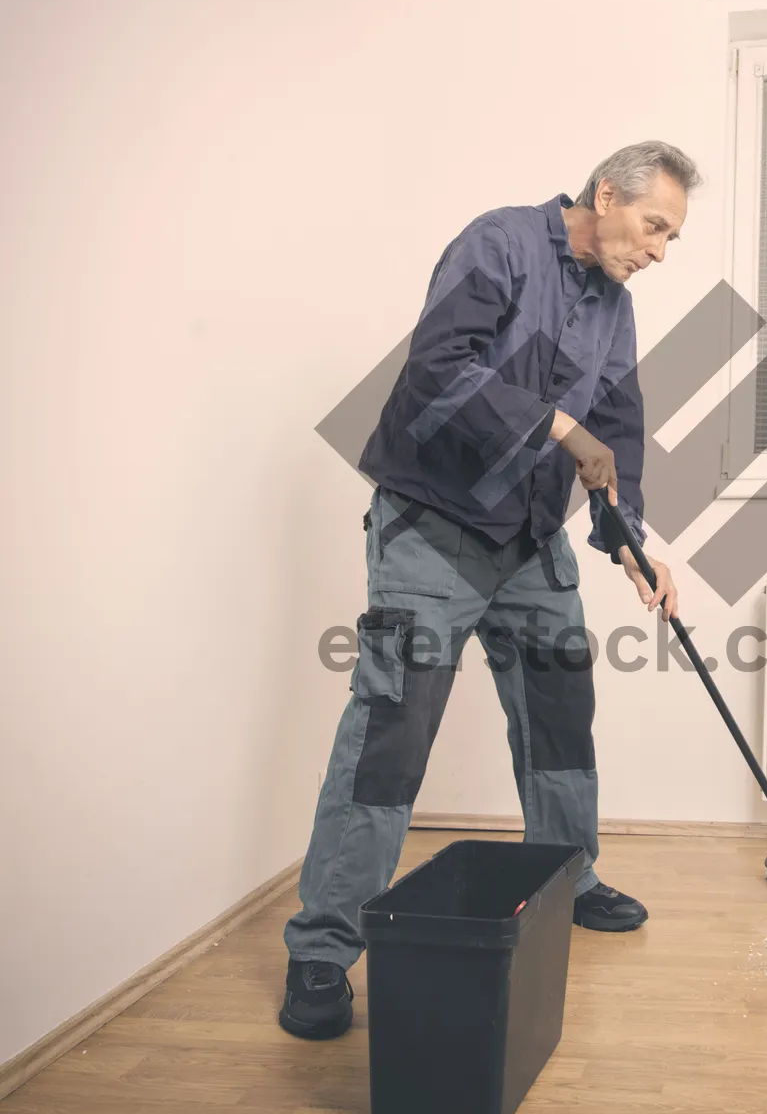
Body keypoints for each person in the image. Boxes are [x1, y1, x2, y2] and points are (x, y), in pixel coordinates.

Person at [279, 140, 700, 1038]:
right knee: (392, 727)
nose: (661, 249)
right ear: (605, 195)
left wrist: (630, 543)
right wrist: (558, 428)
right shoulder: (501, 245)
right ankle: (322, 948)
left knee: (560, 713)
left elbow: (615, 433)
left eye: (673, 235)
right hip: (432, 527)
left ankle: (568, 876)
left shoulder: (614, 310)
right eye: (655, 225)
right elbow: (437, 371)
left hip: (529, 540)